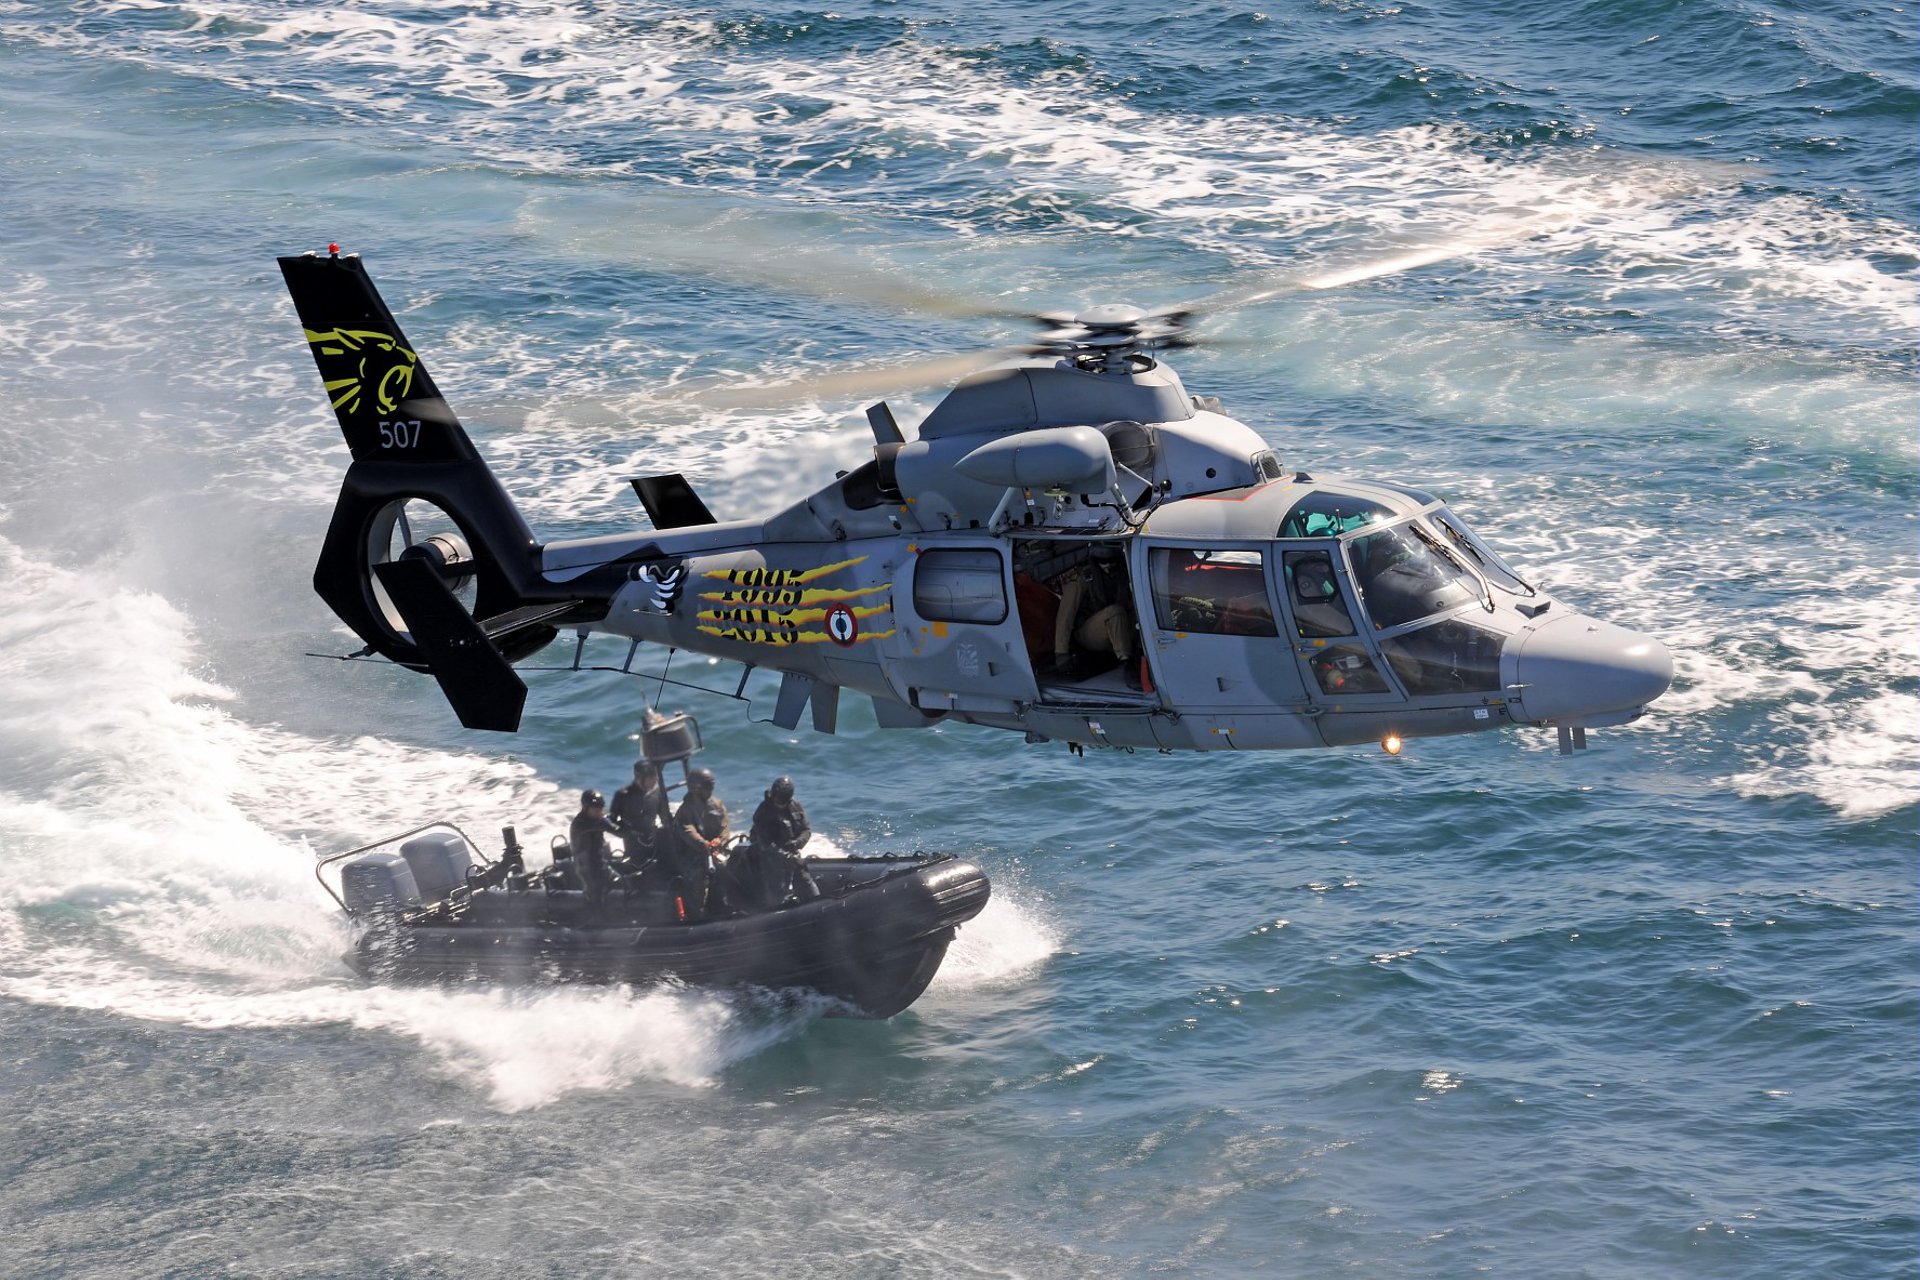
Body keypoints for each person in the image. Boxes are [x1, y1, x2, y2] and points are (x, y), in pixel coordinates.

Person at [1052, 549, 1141, 687]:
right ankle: (1127, 663)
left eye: (1112, 562)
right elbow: (1065, 616)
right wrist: (1061, 653)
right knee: (1114, 612)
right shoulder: (1083, 577)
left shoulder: (1124, 572)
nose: (1109, 565)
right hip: (1089, 633)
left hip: (1118, 628)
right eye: (1104, 562)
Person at [746, 776, 821, 908]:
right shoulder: (763, 812)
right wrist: (789, 858)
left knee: (808, 885)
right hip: (770, 858)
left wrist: (797, 843)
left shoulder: (795, 806)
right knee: (776, 894)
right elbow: (766, 844)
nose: (778, 803)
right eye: (776, 800)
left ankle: (817, 907)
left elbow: (806, 829)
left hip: (792, 852)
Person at [671, 766, 729, 920]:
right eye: (707, 787)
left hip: (714, 850)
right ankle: (696, 915)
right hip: (692, 855)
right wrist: (705, 845)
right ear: (696, 789)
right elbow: (689, 832)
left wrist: (720, 840)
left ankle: (719, 906)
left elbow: (724, 825)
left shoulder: (716, 804)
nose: (710, 790)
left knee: (726, 868)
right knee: (696, 877)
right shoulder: (685, 811)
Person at [609, 759, 669, 878]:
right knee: (640, 874)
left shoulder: (657, 793)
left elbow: (666, 818)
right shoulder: (623, 795)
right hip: (633, 843)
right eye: (652, 777)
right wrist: (625, 832)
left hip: (653, 839)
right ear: (640, 778)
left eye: (656, 776)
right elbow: (610, 821)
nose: (656, 780)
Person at [567, 789, 621, 901]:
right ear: (585, 808)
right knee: (596, 897)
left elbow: (617, 830)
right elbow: (606, 826)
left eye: (600, 809)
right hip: (587, 869)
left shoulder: (597, 820)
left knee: (621, 883)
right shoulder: (580, 824)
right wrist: (612, 825)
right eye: (596, 810)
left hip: (601, 865)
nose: (599, 812)